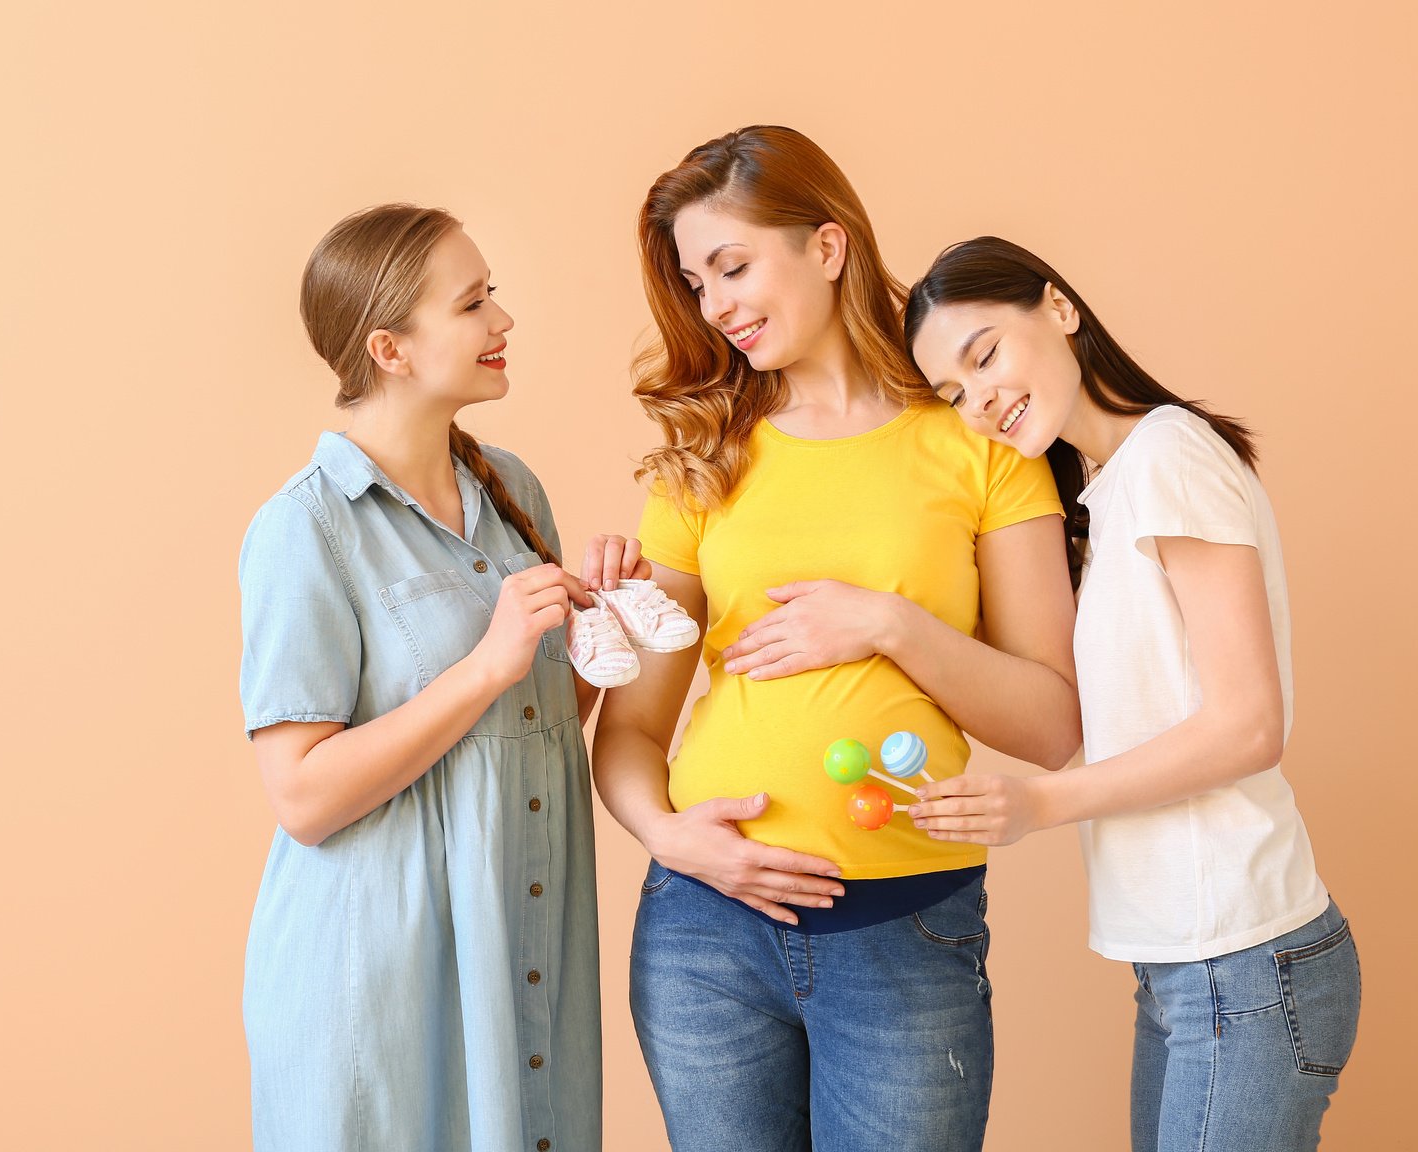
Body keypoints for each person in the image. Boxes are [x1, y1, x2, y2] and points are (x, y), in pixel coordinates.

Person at [589, 126, 1082, 1151]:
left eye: (732, 265)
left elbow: (1051, 724)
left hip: (902, 930)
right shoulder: (705, 454)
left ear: (827, 245)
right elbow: (632, 732)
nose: (715, 304)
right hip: (704, 933)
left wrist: (887, 623)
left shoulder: (976, 440)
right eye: (695, 282)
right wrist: (671, 838)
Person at [903, 235, 1362, 1152]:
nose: (981, 401)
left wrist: (1039, 802)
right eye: (954, 394)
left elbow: (1249, 726)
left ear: (1060, 309)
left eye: (984, 354)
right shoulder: (1107, 493)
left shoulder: (1169, 458)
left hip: (1245, 962)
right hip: (1192, 968)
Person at [237, 204, 608, 1151]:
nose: (504, 323)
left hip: (522, 949)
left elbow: (539, 723)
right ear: (390, 349)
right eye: (474, 303)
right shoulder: (304, 529)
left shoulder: (513, 491)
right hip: (380, 984)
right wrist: (486, 664)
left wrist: (597, 633)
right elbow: (304, 798)